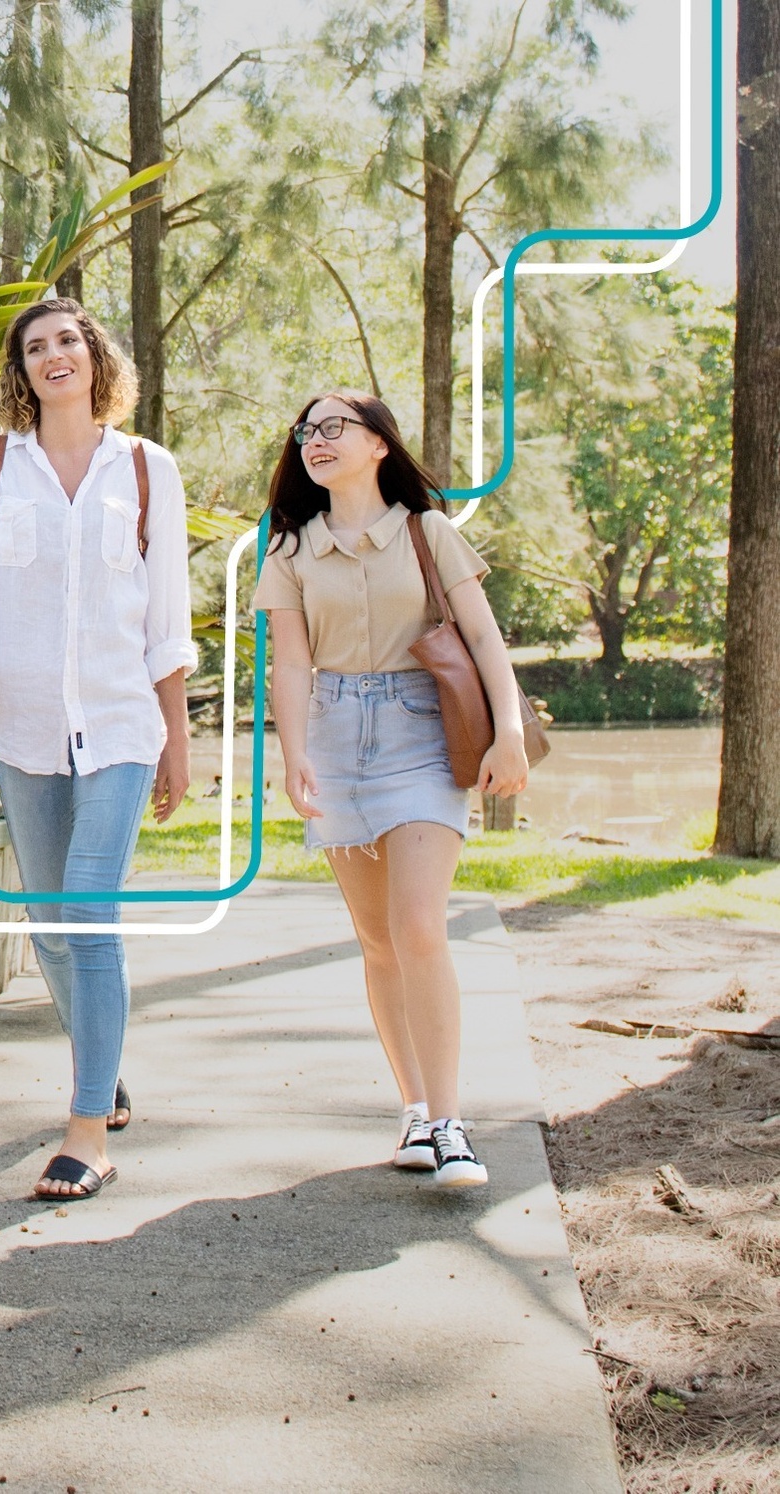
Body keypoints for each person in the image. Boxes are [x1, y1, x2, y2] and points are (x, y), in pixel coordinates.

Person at [0, 297, 197, 1201]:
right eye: (36, 346)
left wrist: (179, 739)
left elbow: (167, 619)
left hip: (123, 724)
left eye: (68, 342)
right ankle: (103, 1062)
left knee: (88, 907)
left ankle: (87, 1131)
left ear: (95, 358)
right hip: (23, 728)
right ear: (22, 369)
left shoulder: (148, 470)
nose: (55, 356)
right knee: (49, 923)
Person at [254, 391, 528, 1188]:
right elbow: (293, 664)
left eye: (334, 426)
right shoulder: (291, 549)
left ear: (380, 444)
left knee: (418, 927)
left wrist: (508, 728)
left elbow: (482, 636)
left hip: (419, 731)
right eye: (305, 430)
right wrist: (295, 751)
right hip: (336, 737)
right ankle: (412, 1110)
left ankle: (451, 1125)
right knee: (377, 941)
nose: (316, 440)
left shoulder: (428, 531)